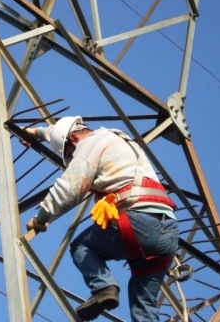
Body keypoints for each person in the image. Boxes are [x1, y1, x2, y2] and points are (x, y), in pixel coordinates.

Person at [25, 116, 179, 321]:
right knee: (144, 306)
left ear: (74, 138)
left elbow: (69, 188)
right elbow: (57, 133)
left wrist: (40, 218)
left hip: (137, 222)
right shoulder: (116, 138)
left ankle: (104, 287)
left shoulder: (88, 145)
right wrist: (37, 133)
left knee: (81, 247)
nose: (72, 160)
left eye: (70, 155)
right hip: (168, 233)